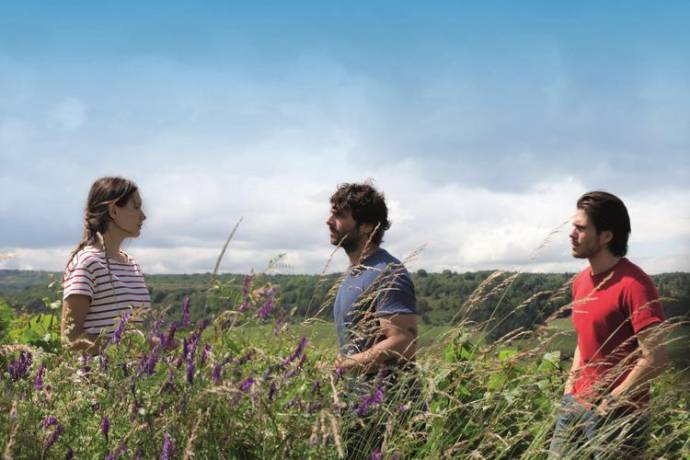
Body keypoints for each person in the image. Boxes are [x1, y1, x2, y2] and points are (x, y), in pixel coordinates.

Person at [549, 191, 667, 458]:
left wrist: (614, 399)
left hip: (619, 415)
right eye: (573, 226)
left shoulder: (635, 285)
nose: (572, 234)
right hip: (575, 405)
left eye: (581, 228)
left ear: (606, 236)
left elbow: (656, 357)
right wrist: (570, 386)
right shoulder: (580, 281)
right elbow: (585, 339)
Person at [326, 181, 419, 458]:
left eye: (340, 215)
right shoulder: (355, 273)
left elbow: (403, 341)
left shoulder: (387, 272)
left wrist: (344, 365)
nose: (329, 221)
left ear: (366, 225)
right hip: (359, 408)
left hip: (387, 411)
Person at [61, 176, 151, 351]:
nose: (144, 216)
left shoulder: (131, 264)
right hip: (96, 376)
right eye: (136, 207)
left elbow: (135, 334)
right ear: (113, 211)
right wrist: (128, 348)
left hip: (133, 377)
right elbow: (70, 339)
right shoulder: (88, 263)